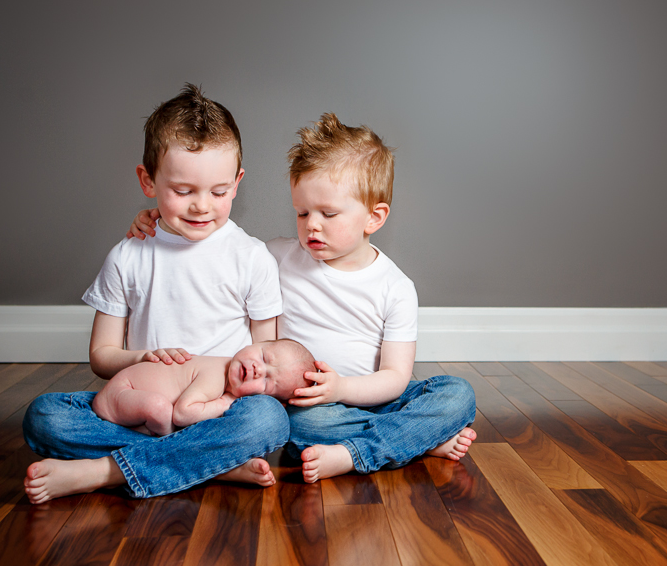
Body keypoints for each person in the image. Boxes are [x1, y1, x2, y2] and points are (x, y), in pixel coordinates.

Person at [129, 113, 477, 484]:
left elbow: (394, 376)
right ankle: (414, 439)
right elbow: (220, 248)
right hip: (312, 408)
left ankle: (359, 451)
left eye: (328, 213)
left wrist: (342, 388)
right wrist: (159, 223)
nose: (312, 224)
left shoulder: (396, 287)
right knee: (297, 427)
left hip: (372, 395)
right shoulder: (277, 257)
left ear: (374, 217)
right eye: (302, 212)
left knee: (457, 394)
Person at [22, 84, 288, 505]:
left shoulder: (252, 258)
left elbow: (265, 353)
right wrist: (142, 358)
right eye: (183, 191)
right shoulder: (128, 256)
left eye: (218, 192)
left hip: (218, 413)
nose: (202, 206)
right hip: (140, 413)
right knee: (44, 417)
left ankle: (106, 472)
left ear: (237, 184)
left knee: (269, 420)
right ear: (148, 180)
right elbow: (102, 357)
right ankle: (211, 464)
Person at [94, 339, 316, 436]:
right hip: (122, 393)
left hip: (127, 399)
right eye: (264, 356)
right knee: (161, 409)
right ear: (254, 343)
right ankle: (150, 440)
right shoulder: (215, 377)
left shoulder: (226, 372)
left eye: (267, 382)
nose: (259, 369)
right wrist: (225, 402)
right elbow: (182, 413)